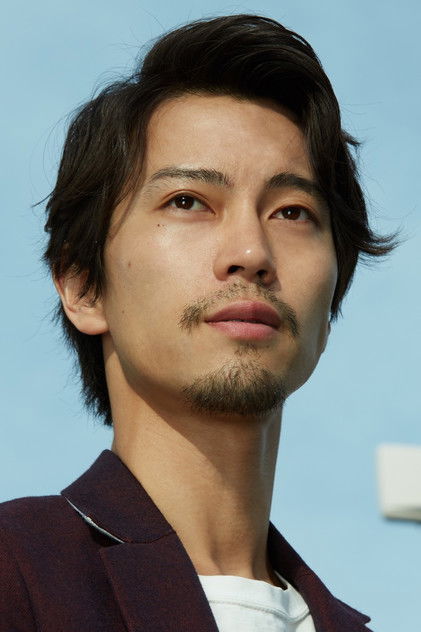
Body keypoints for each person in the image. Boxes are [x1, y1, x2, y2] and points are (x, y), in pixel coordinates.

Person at [0, 14, 395, 631]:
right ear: (83, 285)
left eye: (292, 212)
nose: (252, 252)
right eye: (188, 201)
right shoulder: (20, 572)